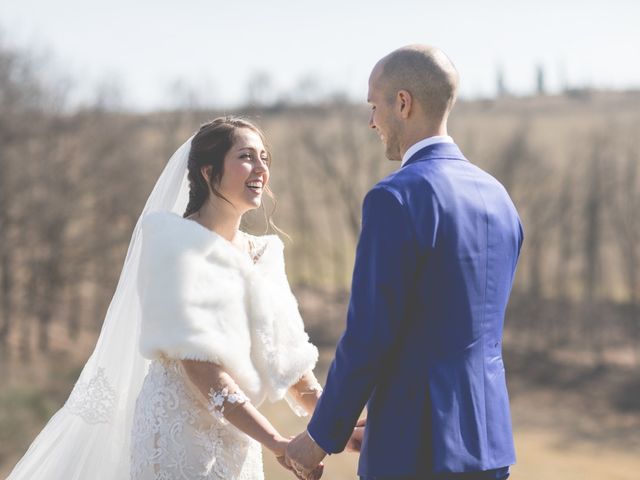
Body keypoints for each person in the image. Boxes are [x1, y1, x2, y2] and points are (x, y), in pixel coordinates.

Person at [7, 117, 323, 480]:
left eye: (265, 158)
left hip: (241, 435)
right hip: (176, 433)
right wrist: (278, 442)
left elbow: (289, 356)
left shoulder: (265, 253)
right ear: (208, 171)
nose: (261, 168)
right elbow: (200, 366)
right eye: (247, 156)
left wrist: (335, 424)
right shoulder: (172, 243)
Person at [285, 45, 524, 480]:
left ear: (402, 103)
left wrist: (319, 437)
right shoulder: (499, 198)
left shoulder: (395, 198)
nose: (371, 122)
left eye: (374, 107)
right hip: (489, 444)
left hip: (416, 452)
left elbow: (368, 336)